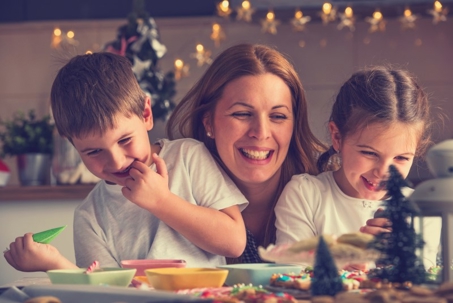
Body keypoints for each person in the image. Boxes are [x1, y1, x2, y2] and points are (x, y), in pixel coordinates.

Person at [4, 52, 248, 272]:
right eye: (94, 151)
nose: (117, 161)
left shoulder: (188, 157)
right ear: (73, 145)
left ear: (146, 115)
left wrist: (162, 202)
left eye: (124, 140)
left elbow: (234, 243)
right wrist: (55, 265)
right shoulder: (90, 216)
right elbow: (106, 295)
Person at [166, 43, 326, 263]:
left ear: (294, 125)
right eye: (242, 114)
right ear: (209, 123)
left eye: (278, 116)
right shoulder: (170, 198)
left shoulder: (328, 194)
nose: (261, 133)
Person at [274, 66, 441, 268]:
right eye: (369, 153)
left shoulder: (422, 210)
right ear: (337, 137)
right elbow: (291, 274)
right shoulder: (305, 195)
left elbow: (423, 288)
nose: (383, 172)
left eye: (401, 158)